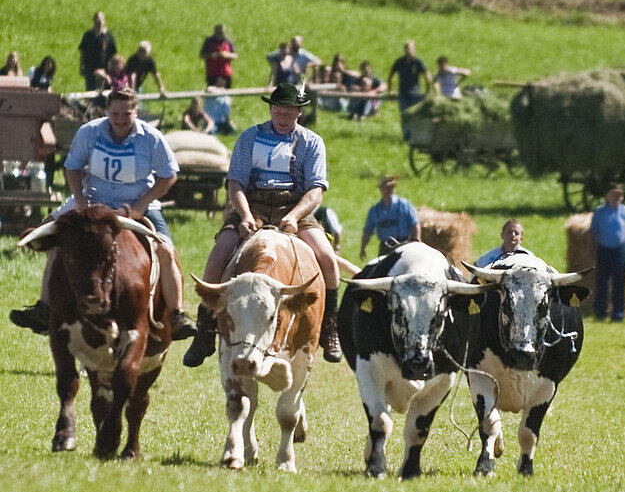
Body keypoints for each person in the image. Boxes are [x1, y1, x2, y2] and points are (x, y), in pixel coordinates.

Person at [9, 88, 195, 339]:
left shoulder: (151, 138)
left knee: (166, 251)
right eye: (114, 113)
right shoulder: (89, 132)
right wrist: (81, 201)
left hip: (138, 206)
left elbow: (169, 175)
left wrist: (141, 205)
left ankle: (177, 314)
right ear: (107, 111)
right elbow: (72, 168)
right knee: (54, 239)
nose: (119, 119)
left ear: (136, 112)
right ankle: (45, 308)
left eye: (126, 114)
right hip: (92, 202)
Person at [183, 83, 342, 366]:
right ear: (270, 109)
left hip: (294, 207)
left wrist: (294, 215)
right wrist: (243, 215)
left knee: (328, 258)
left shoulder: (312, 142)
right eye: (278, 112)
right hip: (252, 205)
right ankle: (205, 330)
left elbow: (316, 189)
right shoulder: (249, 137)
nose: (282, 118)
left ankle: (331, 325)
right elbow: (235, 182)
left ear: (299, 112)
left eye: (288, 113)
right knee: (219, 255)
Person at [589, 186, 625, 322]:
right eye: (614, 195)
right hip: (604, 250)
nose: (617, 198)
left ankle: (618, 314)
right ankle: (600, 313)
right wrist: (592, 250)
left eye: (620, 195)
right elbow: (593, 232)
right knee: (602, 283)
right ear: (607, 195)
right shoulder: (600, 212)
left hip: (620, 251)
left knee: (619, 283)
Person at [359, 174, 421, 259]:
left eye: (391, 187)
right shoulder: (375, 210)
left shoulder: (403, 204)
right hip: (385, 247)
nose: (389, 190)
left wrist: (416, 243)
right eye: (386, 187)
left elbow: (415, 224)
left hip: (403, 244)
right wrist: (363, 248)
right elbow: (367, 231)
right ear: (380, 189)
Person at [387, 40, 431, 138]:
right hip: (403, 93)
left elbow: (427, 76)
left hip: (415, 93)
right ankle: (406, 136)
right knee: (404, 115)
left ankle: (415, 135)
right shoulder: (399, 62)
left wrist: (427, 91)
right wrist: (390, 90)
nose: (408, 51)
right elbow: (391, 75)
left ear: (414, 50)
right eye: (406, 48)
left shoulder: (417, 62)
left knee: (415, 116)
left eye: (410, 48)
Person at [78, 11, 116, 91]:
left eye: (101, 19)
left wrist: (112, 69)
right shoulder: (88, 35)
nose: (99, 20)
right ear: (94, 20)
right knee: (90, 91)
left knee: (103, 92)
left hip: (104, 69)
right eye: (97, 18)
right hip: (90, 69)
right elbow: (83, 52)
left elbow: (112, 54)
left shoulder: (108, 36)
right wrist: (81, 66)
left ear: (104, 21)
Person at [200, 23, 237, 89]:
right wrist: (212, 56)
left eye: (221, 33)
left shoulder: (228, 41)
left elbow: (235, 55)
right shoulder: (209, 41)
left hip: (225, 73)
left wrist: (227, 55)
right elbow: (202, 55)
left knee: (226, 93)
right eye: (218, 32)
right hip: (212, 73)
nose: (220, 34)